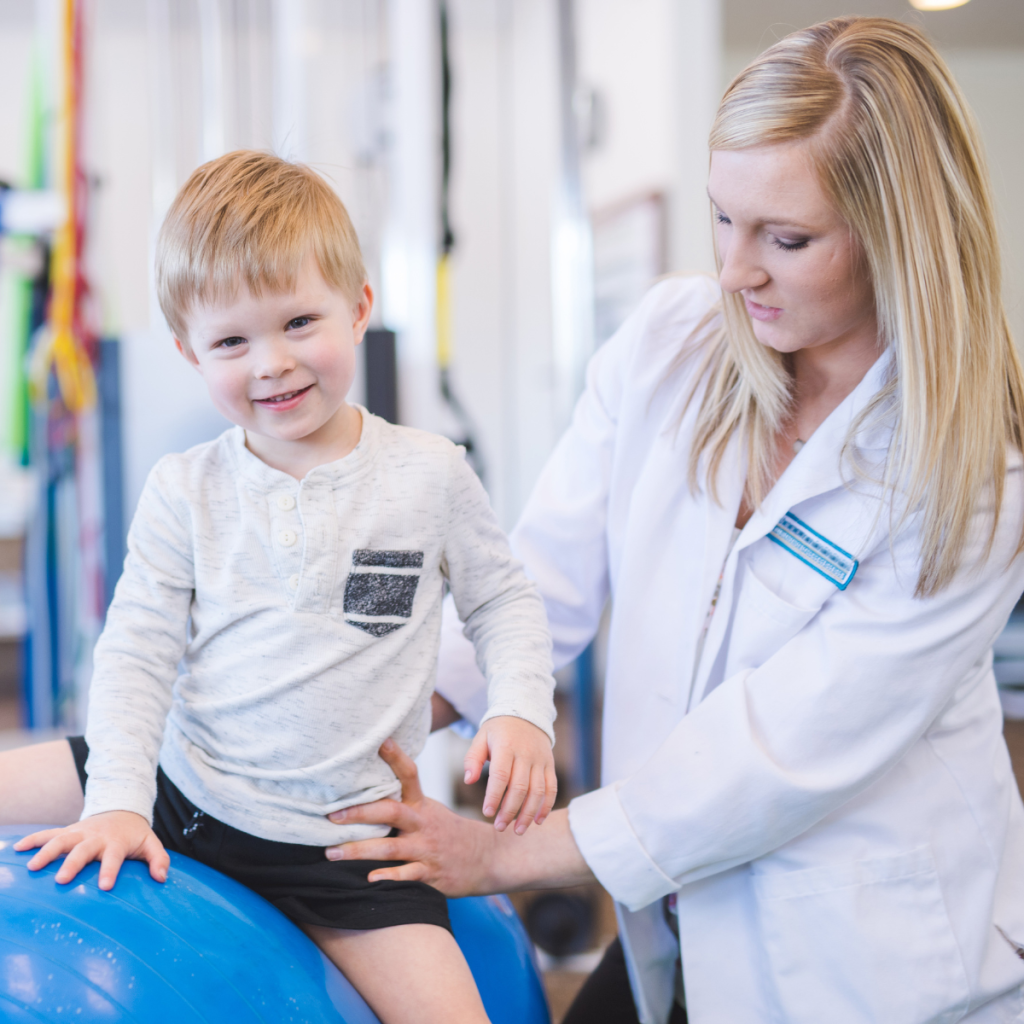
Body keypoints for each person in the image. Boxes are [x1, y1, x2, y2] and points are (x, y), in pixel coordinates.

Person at [324, 18, 1024, 1024]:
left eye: (786, 239)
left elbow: (766, 754)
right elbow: (540, 582)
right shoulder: (673, 341)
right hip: (681, 920)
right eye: (721, 219)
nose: (737, 271)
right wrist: (366, 713)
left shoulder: (971, 481)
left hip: (870, 966)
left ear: (895, 237)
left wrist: (502, 853)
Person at [0, 151, 560, 1024]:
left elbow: (503, 603)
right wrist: (116, 801)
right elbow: (136, 656)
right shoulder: (184, 489)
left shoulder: (428, 475)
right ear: (189, 352)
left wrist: (520, 709)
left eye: (300, 321)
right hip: (183, 789)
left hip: (346, 851)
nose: (272, 364)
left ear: (360, 307)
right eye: (232, 341)